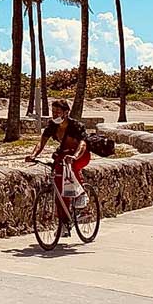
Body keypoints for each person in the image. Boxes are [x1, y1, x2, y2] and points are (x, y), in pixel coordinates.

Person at [28, 98, 90, 233]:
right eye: (53, 112)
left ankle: (82, 195)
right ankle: (64, 222)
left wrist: (74, 157)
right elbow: (41, 142)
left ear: (66, 112)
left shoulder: (75, 126)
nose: (55, 114)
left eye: (58, 112)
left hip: (80, 154)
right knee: (60, 189)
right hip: (63, 154)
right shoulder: (52, 125)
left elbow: (83, 144)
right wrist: (33, 155)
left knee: (71, 167)